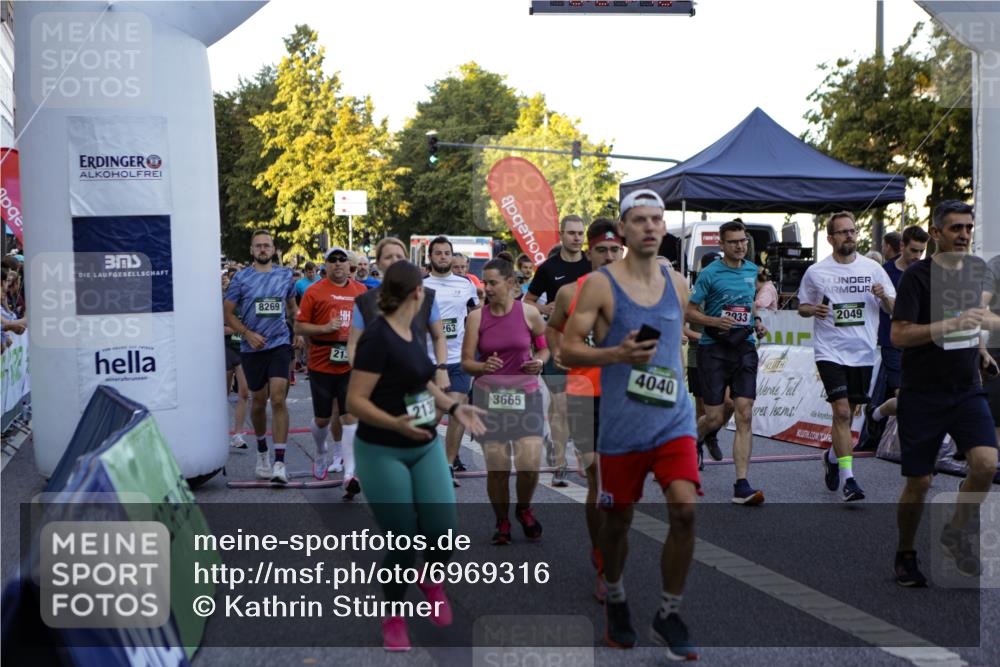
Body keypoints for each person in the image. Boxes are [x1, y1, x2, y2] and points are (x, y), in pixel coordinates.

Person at [561, 189, 699, 659]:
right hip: (622, 425)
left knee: (684, 509)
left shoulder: (678, 283)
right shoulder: (600, 285)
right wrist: (615, 354)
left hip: (673, 419)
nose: (650, 227)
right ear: (623, 230)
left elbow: (672, 348)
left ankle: (669, 611)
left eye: (656, 219)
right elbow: (567, 349)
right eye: (639, 220)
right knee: (617, 522)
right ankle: (616, 595)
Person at [346, 260, 486, 651]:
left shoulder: (409, 330)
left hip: (423, 446)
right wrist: (395, 424)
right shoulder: (377, 338)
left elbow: (421, 379)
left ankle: (431, 580)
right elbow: (354, 401)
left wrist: (455, 408)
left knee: (444, 532)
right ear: (417, 294)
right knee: (402, 539)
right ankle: (393, 615)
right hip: (382, 450)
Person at [890, 200, 998, 586]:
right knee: (919, 482)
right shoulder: (917, 278)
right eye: (955, 228)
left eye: (968, 228)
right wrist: (947, 325)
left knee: (985, 464)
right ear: (936, 233)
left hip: (966, 390)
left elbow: (974, 320)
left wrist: (981, 351)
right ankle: (905, 552)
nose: (964, 236)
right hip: (923, 392)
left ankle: (955, 531)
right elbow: (899, 335)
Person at [545, 218, 623, 601]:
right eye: (602, 250)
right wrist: (557, 351)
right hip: (582, 392)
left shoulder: (637, 291)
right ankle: (603, 560)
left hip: (624, 395)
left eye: (615, 250)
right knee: (598, 481)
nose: (609, 256)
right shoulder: (569, 293)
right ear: (589, 252)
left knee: (618, 485)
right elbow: (554, 327)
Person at [797, 211, 896, 502]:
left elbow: (893, 308)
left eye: (852, 231)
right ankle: (849, 480)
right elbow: (802, 306)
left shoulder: (874, 269)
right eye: (843, 232)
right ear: (830, 238)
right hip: (829, 351)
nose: (850, 236)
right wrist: (814, 310)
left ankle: (831, 456)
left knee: (851, 411)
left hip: (863, 352)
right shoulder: (817, 271)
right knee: (840, 412)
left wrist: (883, 297)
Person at [462, 258, 549, 545]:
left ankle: (523, 508)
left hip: (526, 395)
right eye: (484, 282)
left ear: (511, 284)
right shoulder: (476, 317)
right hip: (491, 397)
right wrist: (482, 367)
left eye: (492, 282)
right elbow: (466, 363)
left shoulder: (529, 313)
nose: (486, 288)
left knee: (529, 464)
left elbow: (544, 349)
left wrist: (539, 362)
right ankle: (502, 521)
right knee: (498, 469)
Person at [686, 220, 768, 505]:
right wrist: (713, 321)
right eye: (733, 242)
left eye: (743, 240)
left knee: (744, 412)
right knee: (715, 417)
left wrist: (757, 321)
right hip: (714, 350)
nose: (740, 245)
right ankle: (695, 439)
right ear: (721, 245)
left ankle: (742, 483)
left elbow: (750, 302)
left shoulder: (751, 270)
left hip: (744, 346)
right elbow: (690, 311)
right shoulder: (709, 274)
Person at [223, 230, 299, 484]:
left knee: (278, 398)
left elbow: (291, 307)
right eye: (259, 246)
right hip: (252, 347)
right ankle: (263, 452)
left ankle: (280, 462)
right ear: (252, 250)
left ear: (274, 249)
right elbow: (228, 313)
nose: (263, 249)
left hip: (279, 344)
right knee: (258, 401)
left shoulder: (285, 275)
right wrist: (247, 333)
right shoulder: (241, 279)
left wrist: (297, 330)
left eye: (267, 245)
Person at [295, 247, 369, 485]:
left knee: (350, 417)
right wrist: (324, 328)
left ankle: (350, 473)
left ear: (350, 266)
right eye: (332, 260)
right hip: (321, 361)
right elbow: (299, 327)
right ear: (325, 265)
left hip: (350, 363)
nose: (338, 264)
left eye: (342, 260)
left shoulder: (361, 290)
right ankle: (320, 451)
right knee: (322, 420)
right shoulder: (314, 291)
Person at [524, 215, 589, 485]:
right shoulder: (548, 268)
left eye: (580, 233)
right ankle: (560, 463)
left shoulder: (592, 265)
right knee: (561, 405)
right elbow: (527, 301)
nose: (576, 238)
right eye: (571, 233)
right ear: (561, 234)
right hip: (557, 342)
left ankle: (582, 454)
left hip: (587, 344)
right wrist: (544, 308)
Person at [864, 225, 930, 447]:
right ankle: (919, 451)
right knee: (906, 398)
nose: (917, 256)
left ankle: (876, 413)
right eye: (913, 250)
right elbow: (884, 309)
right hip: (891, 342)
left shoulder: (924, 272)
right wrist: (882, 297)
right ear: (901, 246)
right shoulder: (884, 272)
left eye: (921, 251)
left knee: (916, 399)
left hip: (918, 343)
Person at [423, 236, 480, 486]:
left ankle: (447, 465)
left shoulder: (465, 284)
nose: (443, 257)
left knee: (457, 410)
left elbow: (474, 314)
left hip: (457, 358)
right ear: (430, 257)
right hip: (427, 360)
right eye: (438, 253)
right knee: (432, 415)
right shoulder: (421, 286)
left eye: (447, 253)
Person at [222, 273, 251, 449]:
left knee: (245, 392)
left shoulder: (249, 303)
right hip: (226, 350)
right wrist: (239, 329)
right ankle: (218, 431)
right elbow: (217, 329)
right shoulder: (225, 303)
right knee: (221, 396)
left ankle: (237, 434)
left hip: (243, 350)